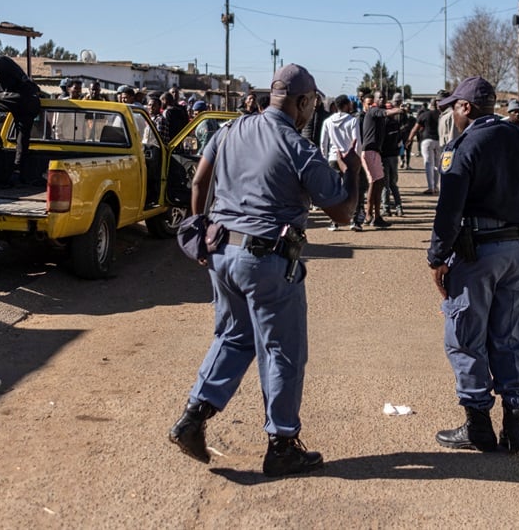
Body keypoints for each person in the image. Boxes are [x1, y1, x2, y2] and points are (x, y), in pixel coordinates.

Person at [168, 63, 360, 477]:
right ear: (303, 102)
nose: (311, 113)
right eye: (312, 105)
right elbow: (343, 212)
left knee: (234, 337)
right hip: (267, 260)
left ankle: (192, 418)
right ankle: (282, 444)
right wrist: (354, 170)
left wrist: (200, 227)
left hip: (222, 253)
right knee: (283, 351)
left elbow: (199, 182)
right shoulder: (297, 146)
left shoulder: (229, 131)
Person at [427, 76, 519, 455]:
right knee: (508, 335)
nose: (452, 114)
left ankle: (479, 426)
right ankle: (515, 426)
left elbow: (448, 211)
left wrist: (436, 256)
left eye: (454, 106)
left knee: (466, 338)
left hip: (476, 255)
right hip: (517, 252)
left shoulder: (464, 145)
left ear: (467, 107)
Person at [0, 48, 42, 183]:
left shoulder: (3, 61)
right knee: (22, 138)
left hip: (22, 98)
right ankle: (18, 169)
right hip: (31, 102)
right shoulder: (5, 69)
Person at [360, 92, 404, 228]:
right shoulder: (374, 111)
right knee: (374, 182)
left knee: (379, 183)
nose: (382, 99)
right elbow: (385, 113)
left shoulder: (378, 114)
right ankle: (368, 214)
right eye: (379, 97)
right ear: (374, 100)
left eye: (384, 97)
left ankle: (377, 216)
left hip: (376, 152)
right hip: (370, 151)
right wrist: (399, 109)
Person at [320, 94, 363, 231]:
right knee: (353, 189)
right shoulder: (352, 121)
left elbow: (323, 142)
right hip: (349, 158)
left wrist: (324, 158)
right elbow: (357, 141)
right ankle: (354, 220)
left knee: (335, 190)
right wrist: (357, 158)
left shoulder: (328, 121)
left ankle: (334, 221)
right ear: (346, 105)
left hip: (333, 158)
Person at [409, 98, 441, 194]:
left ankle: (430, 187)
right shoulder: (441, 115)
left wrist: (409, 139)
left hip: (427, 140)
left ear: (429, 105)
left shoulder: (424, 115)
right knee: (437, 164)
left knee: (428, 164)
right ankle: (436, 186)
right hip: (439, 141)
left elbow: (415, 129)